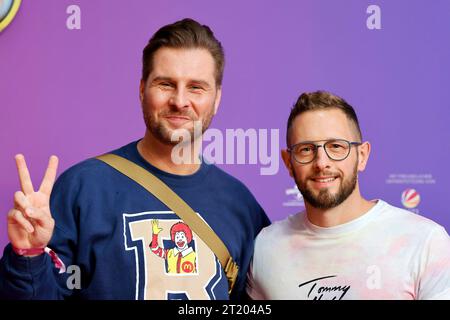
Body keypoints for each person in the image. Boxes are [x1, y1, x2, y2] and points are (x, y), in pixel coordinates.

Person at [0, 18, 270, 300]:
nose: (179, 100)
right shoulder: (83, 188)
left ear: (216, 99)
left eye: (196, 87)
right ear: (142, 89)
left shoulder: (241, 206)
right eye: (165, 84)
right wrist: (28, 257)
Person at [247, 90, 450, 300]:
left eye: (336, 147)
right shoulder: (265, 248)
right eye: (306, 149)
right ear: (289, 162)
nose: (321, 163)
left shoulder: (425, 242)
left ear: (361, 156)